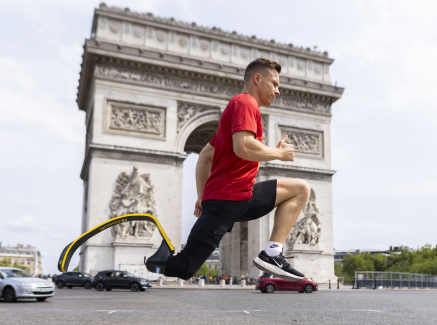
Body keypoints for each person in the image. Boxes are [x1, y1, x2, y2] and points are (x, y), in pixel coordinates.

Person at [146, 57, 310, 281]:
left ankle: (272, 253)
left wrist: (202, 197)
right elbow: (243, 147)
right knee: (183, 268)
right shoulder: (245, 103)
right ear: (257, 78)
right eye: (274, 83)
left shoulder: (231, 115)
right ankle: (148, 263)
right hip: (228, 200)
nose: (278, 90)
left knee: (300, 188)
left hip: (240, 197)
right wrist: (279, 153)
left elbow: (204, 157)